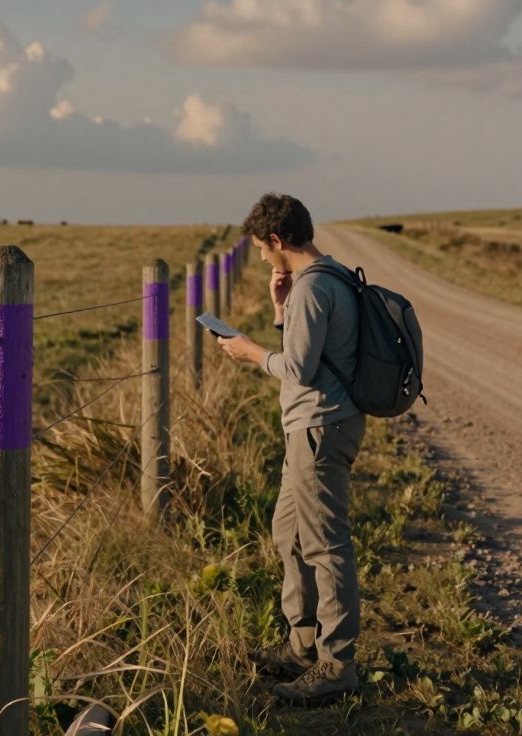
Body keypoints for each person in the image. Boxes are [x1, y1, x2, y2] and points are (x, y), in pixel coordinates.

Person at [217, 193, 366, 705]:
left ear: (278, 240)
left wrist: (249, 352)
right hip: (318, 426)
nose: (262, 257)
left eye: (262, 248)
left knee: (325, 545)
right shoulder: (330, 277)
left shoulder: (314, 287)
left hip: (319, 429)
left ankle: (336, 665)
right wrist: (281, 310)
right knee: (290, 533)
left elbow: (298, 368)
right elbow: (316, 349)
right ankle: (303, 646)